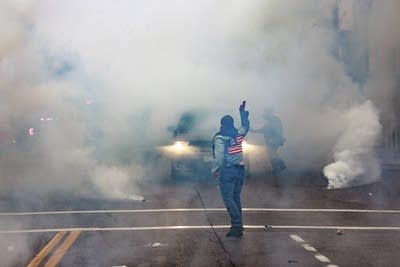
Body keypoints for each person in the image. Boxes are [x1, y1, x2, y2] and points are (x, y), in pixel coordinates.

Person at [211, 101, 249, 238]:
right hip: (240, 170)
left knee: (228, 198)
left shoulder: (220, 137)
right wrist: (242, 113)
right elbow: (245, 126)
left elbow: (219, 156)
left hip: (228, 171)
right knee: (236, 198)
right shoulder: (238, 133)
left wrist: (215, 169)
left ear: (221, 124)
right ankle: (238, 226)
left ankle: (236, 226)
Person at [251, 108, 286, 175]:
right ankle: (278, 168)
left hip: (274, 141)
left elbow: (277, 131)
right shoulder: (270, 121)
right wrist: (252, 130)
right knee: (272, 154)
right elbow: (262, 130)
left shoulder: (275, 120)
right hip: (272, 141)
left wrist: (275, 139)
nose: (265, 117)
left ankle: (280, 167)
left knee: (272, 154)